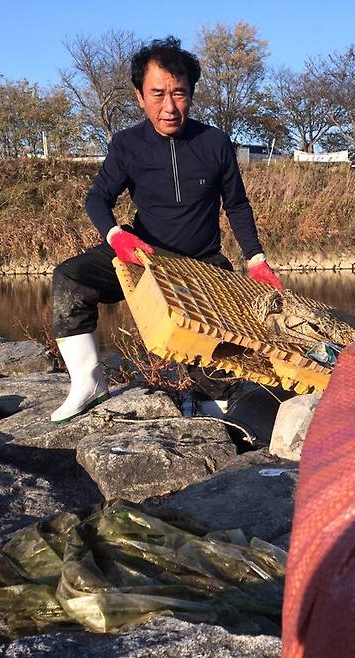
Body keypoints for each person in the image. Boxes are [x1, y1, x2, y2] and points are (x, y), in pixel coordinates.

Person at [50, 36, 282, 424]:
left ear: (191, 93)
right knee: (70, 280)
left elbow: (237, 204)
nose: (169, 107)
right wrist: (115, 235)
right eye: (157, 94)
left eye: (179, 93)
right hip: (143, 255)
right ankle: (88, 382)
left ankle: (220, 412)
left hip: (203, 262)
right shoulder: (127, 144)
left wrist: (256, 258)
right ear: (140, 96)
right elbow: (97, 199)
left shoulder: (215, 143)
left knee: (216, 356)